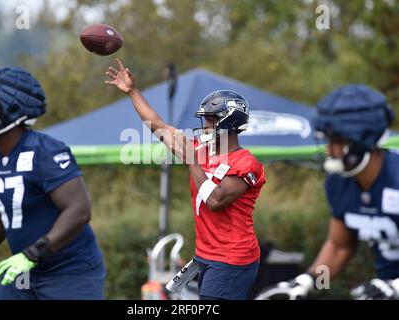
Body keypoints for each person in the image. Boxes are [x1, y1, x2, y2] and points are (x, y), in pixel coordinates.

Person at [105, 59, 266, 300]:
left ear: (230, 122)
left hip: (232, 259)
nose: (205, 125)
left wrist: (191, 160)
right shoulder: (200, 150)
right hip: (206, 255)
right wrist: (132, 92)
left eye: (211, 119)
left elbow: (215, 199)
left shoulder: (246, 163)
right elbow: (158, 126)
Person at [0, 66, 105, 300]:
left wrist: (33, 253)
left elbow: (79, 210)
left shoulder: (45, 151)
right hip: (25, 271)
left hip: (70, 274)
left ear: (13, 108)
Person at [256, 84, 399, 300]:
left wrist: (396, 286)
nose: (330, 149)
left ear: (365, 139)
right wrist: (307, 283)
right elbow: (340, 246)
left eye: (339, 140)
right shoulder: (339, 183)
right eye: (328, 139)